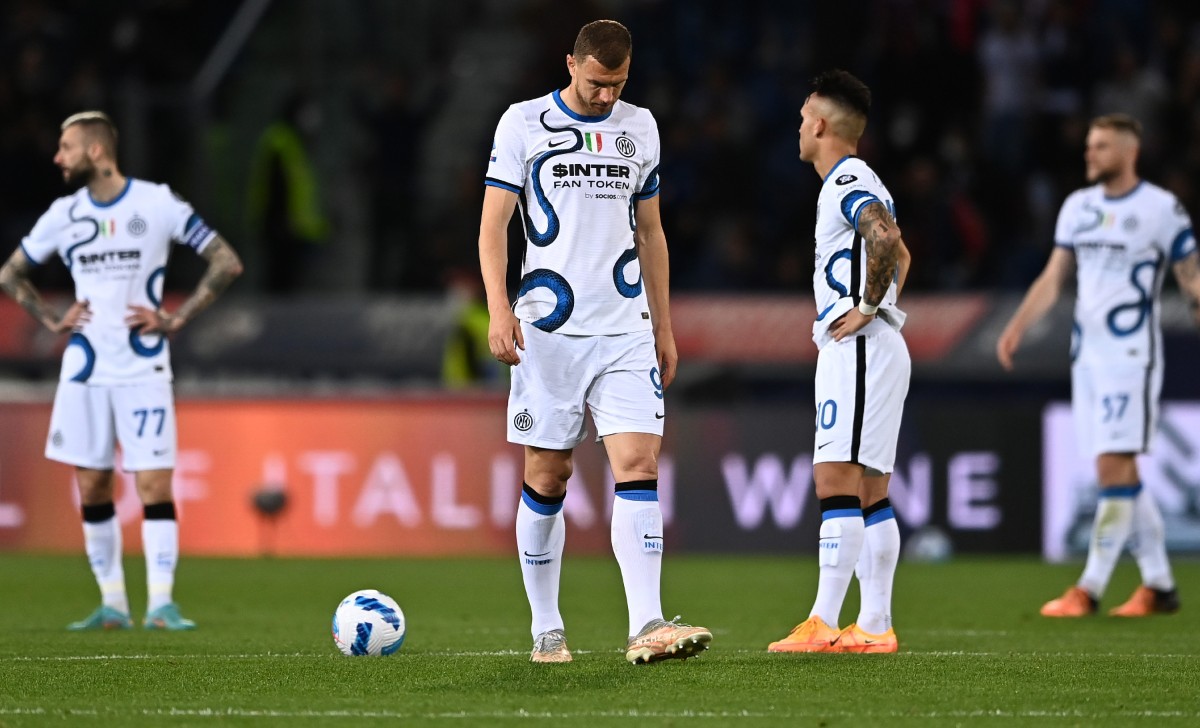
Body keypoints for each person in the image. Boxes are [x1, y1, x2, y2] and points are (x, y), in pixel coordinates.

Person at [479, 19, 712, 665]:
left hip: (624, 326)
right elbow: (494, 226)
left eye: (618, 84)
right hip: (547, 328)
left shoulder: (641, 127)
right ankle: (546, 628)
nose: (607, 96)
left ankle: (647, 624)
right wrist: (498, 309)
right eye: (596, 83)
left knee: (638, 465)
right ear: (571, 64)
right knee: (547, 473)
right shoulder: (523, 123)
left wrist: (662, 325)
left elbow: (651, 231)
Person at [0, 111, 244, 631]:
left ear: (95, 150)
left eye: (66, 147)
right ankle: (112, 603)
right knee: (92, 487)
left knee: (154, 485)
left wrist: (176, 318)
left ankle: (161, 605)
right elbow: (10, 273)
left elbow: (225, 260)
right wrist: (51, 317)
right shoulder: (64, 214)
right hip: (85, 369)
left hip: (142, 367)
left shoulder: (157, 203)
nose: (57, 157)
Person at [997, 113, 1200, 617]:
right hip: (1086, 355)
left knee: (1113, 466)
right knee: (1118, 469)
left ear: (1130, 152)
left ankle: (1088, 588)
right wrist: (1018, 325)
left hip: (1131, 357)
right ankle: (1159, 585)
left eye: (1102, 145)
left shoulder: (1161, 208)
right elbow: (1054, 276)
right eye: (1090, 144)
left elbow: (1191, 278)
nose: (1090, 153)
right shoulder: (1078, 207)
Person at [767, 70, 912, 654]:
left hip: (859, 348)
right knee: (871, 489)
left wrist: (869, 308)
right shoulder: (860, 178)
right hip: (876, 347)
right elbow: (901, 252)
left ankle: (823, 620)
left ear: (822, 125)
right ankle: (874, 625)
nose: (799, 128)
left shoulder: (845, 180)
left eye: (805, 119)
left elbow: (884, 239)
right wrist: (884, 306)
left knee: (835, 480)